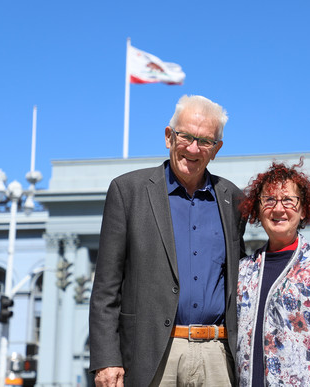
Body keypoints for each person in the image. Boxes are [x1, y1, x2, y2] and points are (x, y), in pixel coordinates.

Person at [89, 95, 246, 386]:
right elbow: (105, 288)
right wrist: (106, 359)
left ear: (216, 149)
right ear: (168, 137)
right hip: (154, 355)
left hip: (217, 355)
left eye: (205, 141)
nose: (193, 148)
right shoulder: (128, 192)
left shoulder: (232, 198)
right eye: (185, 136)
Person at [236, 160, 310, 386]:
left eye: (288, 200)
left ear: (303, 211)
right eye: (269, 199)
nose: (278, 208)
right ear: (257, 209)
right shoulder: (244, 270)